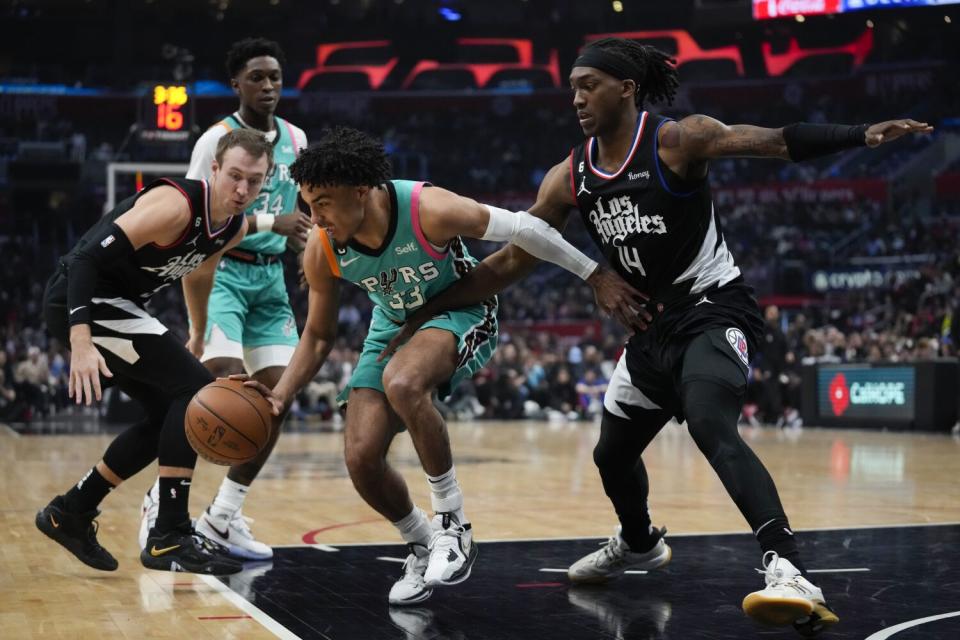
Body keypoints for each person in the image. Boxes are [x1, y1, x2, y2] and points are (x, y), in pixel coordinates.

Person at [379, 37, 931, 635]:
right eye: (571, 88)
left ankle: (788, 568)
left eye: (589, 85)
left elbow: (774, 140)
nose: (577, 98)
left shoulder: (677, 140)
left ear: (627, 88)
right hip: (649, 329)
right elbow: (514, 261)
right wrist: (428, 308)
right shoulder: (569, 176)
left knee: (708, 420)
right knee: (610, 455)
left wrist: (861, 135)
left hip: (712, 307)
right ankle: (639, 543)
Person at [244, 126, 645, 606]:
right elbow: (319, 335)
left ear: (361, 191)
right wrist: (281, 394)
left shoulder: (428, 208)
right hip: (395, 323)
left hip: (462, 311)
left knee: (404, 381)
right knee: (361, 456)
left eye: (324, 202)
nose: (315, 217)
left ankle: (453, 525)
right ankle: (421, 543)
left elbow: (525, 229)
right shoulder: (322, 247)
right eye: (308, 204)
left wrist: (594, 274)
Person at [35, 128, 273, 575]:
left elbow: (199, 273)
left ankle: (71, 511)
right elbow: (84, 258)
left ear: (266, 180)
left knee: (171, 411)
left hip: (120, 306)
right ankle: (169, 535)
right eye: (235, 176)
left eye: (255, 181)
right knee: (196, 392)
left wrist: (198, 332)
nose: (243, 189)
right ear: (215, 169)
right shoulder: (177, 206)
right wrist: (81, 341)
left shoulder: (234, 227)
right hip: (82, 298)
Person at [138, 37, 310, 561]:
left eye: (276, 76)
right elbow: (194, 219)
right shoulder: (213, 140)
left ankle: (221, 518)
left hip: (272, 281)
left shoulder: (298, 139)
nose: (269, 86)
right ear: (236, 83)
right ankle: (161, 505)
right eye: (257, 77)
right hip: (224, 275)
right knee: (222, 395)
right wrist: (265, 222)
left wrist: (304, 246)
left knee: (276, 403)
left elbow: (302, 210)